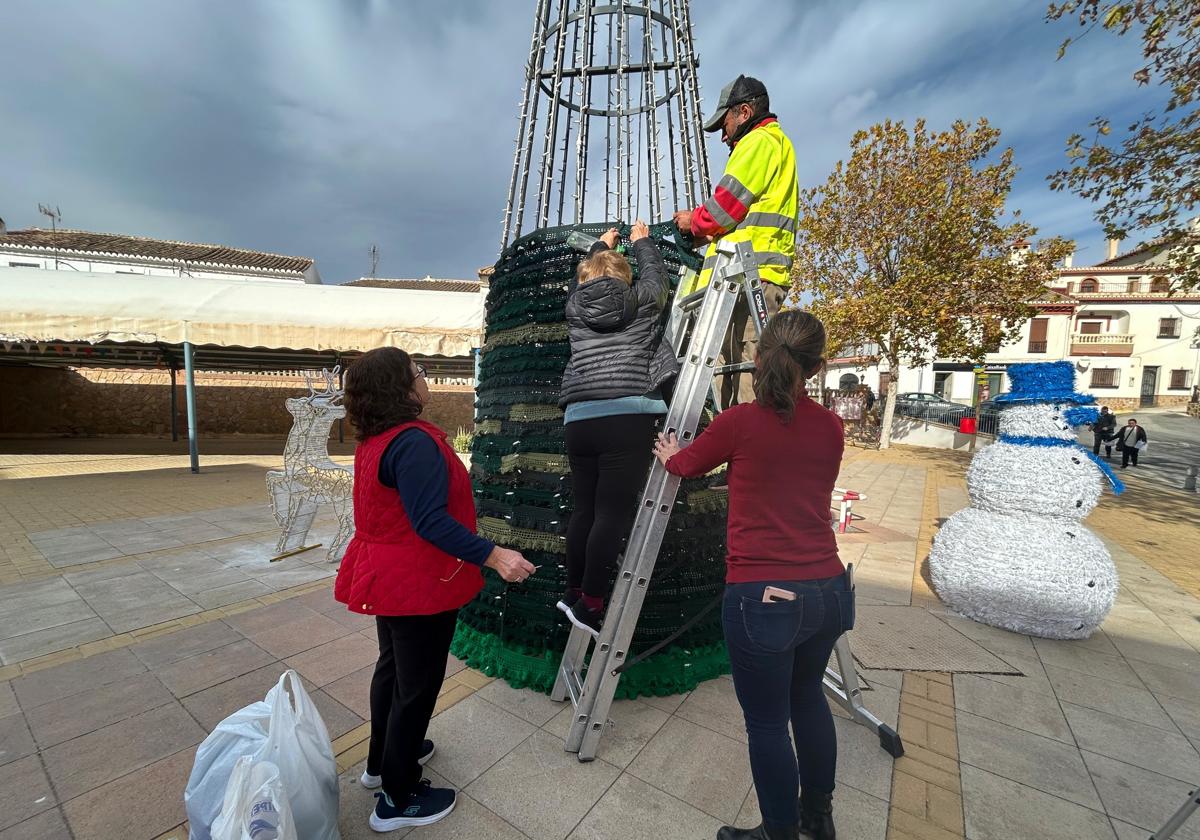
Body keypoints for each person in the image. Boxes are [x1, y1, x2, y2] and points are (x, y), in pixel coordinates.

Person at [654, 311, 851, 840]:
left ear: (760, 356)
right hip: (830, 590)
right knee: (807, 697)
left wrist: (672, 453)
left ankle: (779, 832)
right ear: (815, 365)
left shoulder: (740, 421)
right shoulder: (831, 426)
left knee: (766, 722)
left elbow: (685, 465)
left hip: (765, 597)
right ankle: (818, 819)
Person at [334, 347, 535, 832]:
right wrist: (496, 555)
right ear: (400, 388)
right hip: (417, 581)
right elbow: (430, 522)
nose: (425, 378)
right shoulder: (413, 443)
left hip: (390, 575)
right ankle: (397, 798)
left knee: (394, 672)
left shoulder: (377, 440)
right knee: (416, 686)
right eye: (418, 372)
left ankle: (383, 761)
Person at [558, 220, 678, 635]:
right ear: (625, 279)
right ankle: (591, 603)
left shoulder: (574, 305)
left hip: (579, 420)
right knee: (611, 513)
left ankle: (574, 592)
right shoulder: (641, 301)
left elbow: (580, 284)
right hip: (627, 416)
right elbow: (658, 280)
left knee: (584, 510)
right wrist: (642, 242)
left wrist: (597, 246)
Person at [673, 74, 798, 408]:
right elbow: (739, 218)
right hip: (745, 279)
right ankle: (739, 454)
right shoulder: (774, 145)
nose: (723, 136)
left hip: (748, 278)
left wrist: (692, 222)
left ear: (744, 112)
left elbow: (724, 209)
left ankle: (749, 458)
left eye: (724, 125)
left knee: (745, 380)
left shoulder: (757, 143)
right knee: (732, 373)